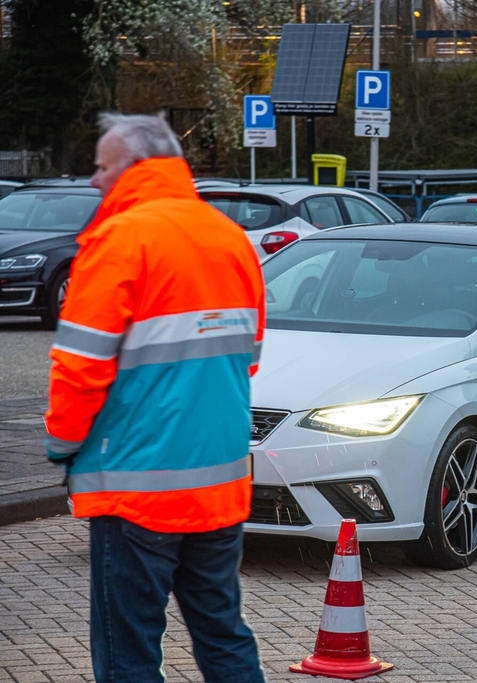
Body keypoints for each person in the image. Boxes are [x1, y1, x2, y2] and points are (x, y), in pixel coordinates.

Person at [44, 113, 267, 683]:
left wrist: (62, 445)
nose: (93, 180)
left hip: (137, 487)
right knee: (223, 634)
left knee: (128, 652)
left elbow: (79, 368)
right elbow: (249, 356)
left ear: (136, 168)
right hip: (217, 484)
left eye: (102, 167)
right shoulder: (230, 238)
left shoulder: (119, 241)